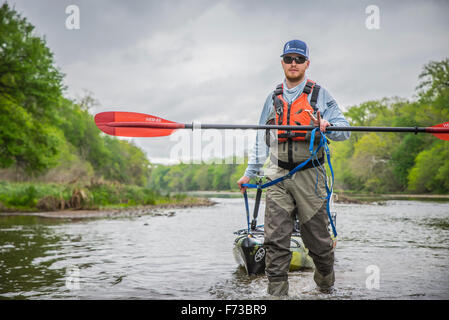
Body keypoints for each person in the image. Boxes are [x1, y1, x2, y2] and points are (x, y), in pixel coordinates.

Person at [237, 39, 350, 296]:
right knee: (275, 240)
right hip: (277, 175)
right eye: (289, 59)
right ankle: (276, 294)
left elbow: (346, 132)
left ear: (307, 63)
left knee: (319, 243)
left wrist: (328, 126)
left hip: (310, 174)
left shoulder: (320, 95)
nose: (294, 63)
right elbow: (260, 139)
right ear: (282, 63)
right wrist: (249, 173)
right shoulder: (272, 98)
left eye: (299, 59)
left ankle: (325, 284)